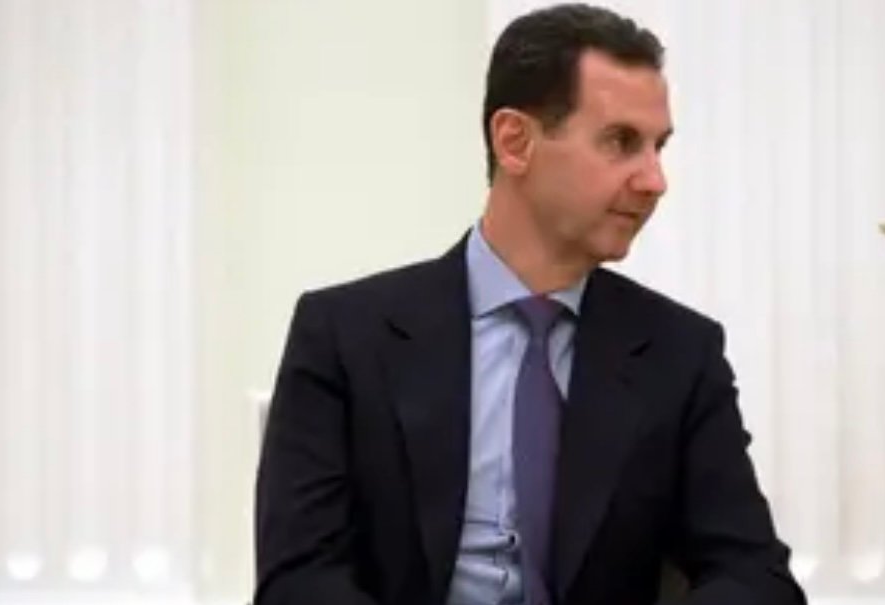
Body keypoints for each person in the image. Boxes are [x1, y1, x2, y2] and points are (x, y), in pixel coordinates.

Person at [254, 3, 806, 604]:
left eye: (658, 146)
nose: (655, 180)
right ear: (514, 141)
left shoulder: (680, 353)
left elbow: (756, 578)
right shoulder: (345, 337)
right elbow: (299, 581)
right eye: (621, 142)